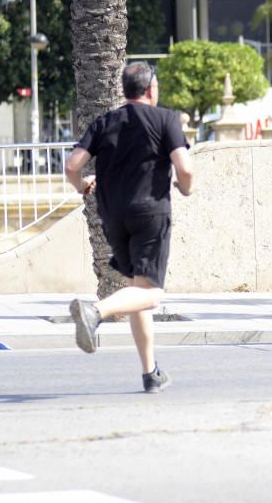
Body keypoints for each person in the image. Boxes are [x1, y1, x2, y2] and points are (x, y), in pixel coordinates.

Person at [64, 62, 194, 393]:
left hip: (112, 216)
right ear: (151, 89)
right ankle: (95, 312)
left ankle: (150, 372)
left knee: (137, 289)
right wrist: (186, 186)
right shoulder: (166, 119)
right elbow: (185, 168)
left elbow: (71, 165)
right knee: (151, 295)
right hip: (150, 213)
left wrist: (81, 185)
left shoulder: (105, 121)